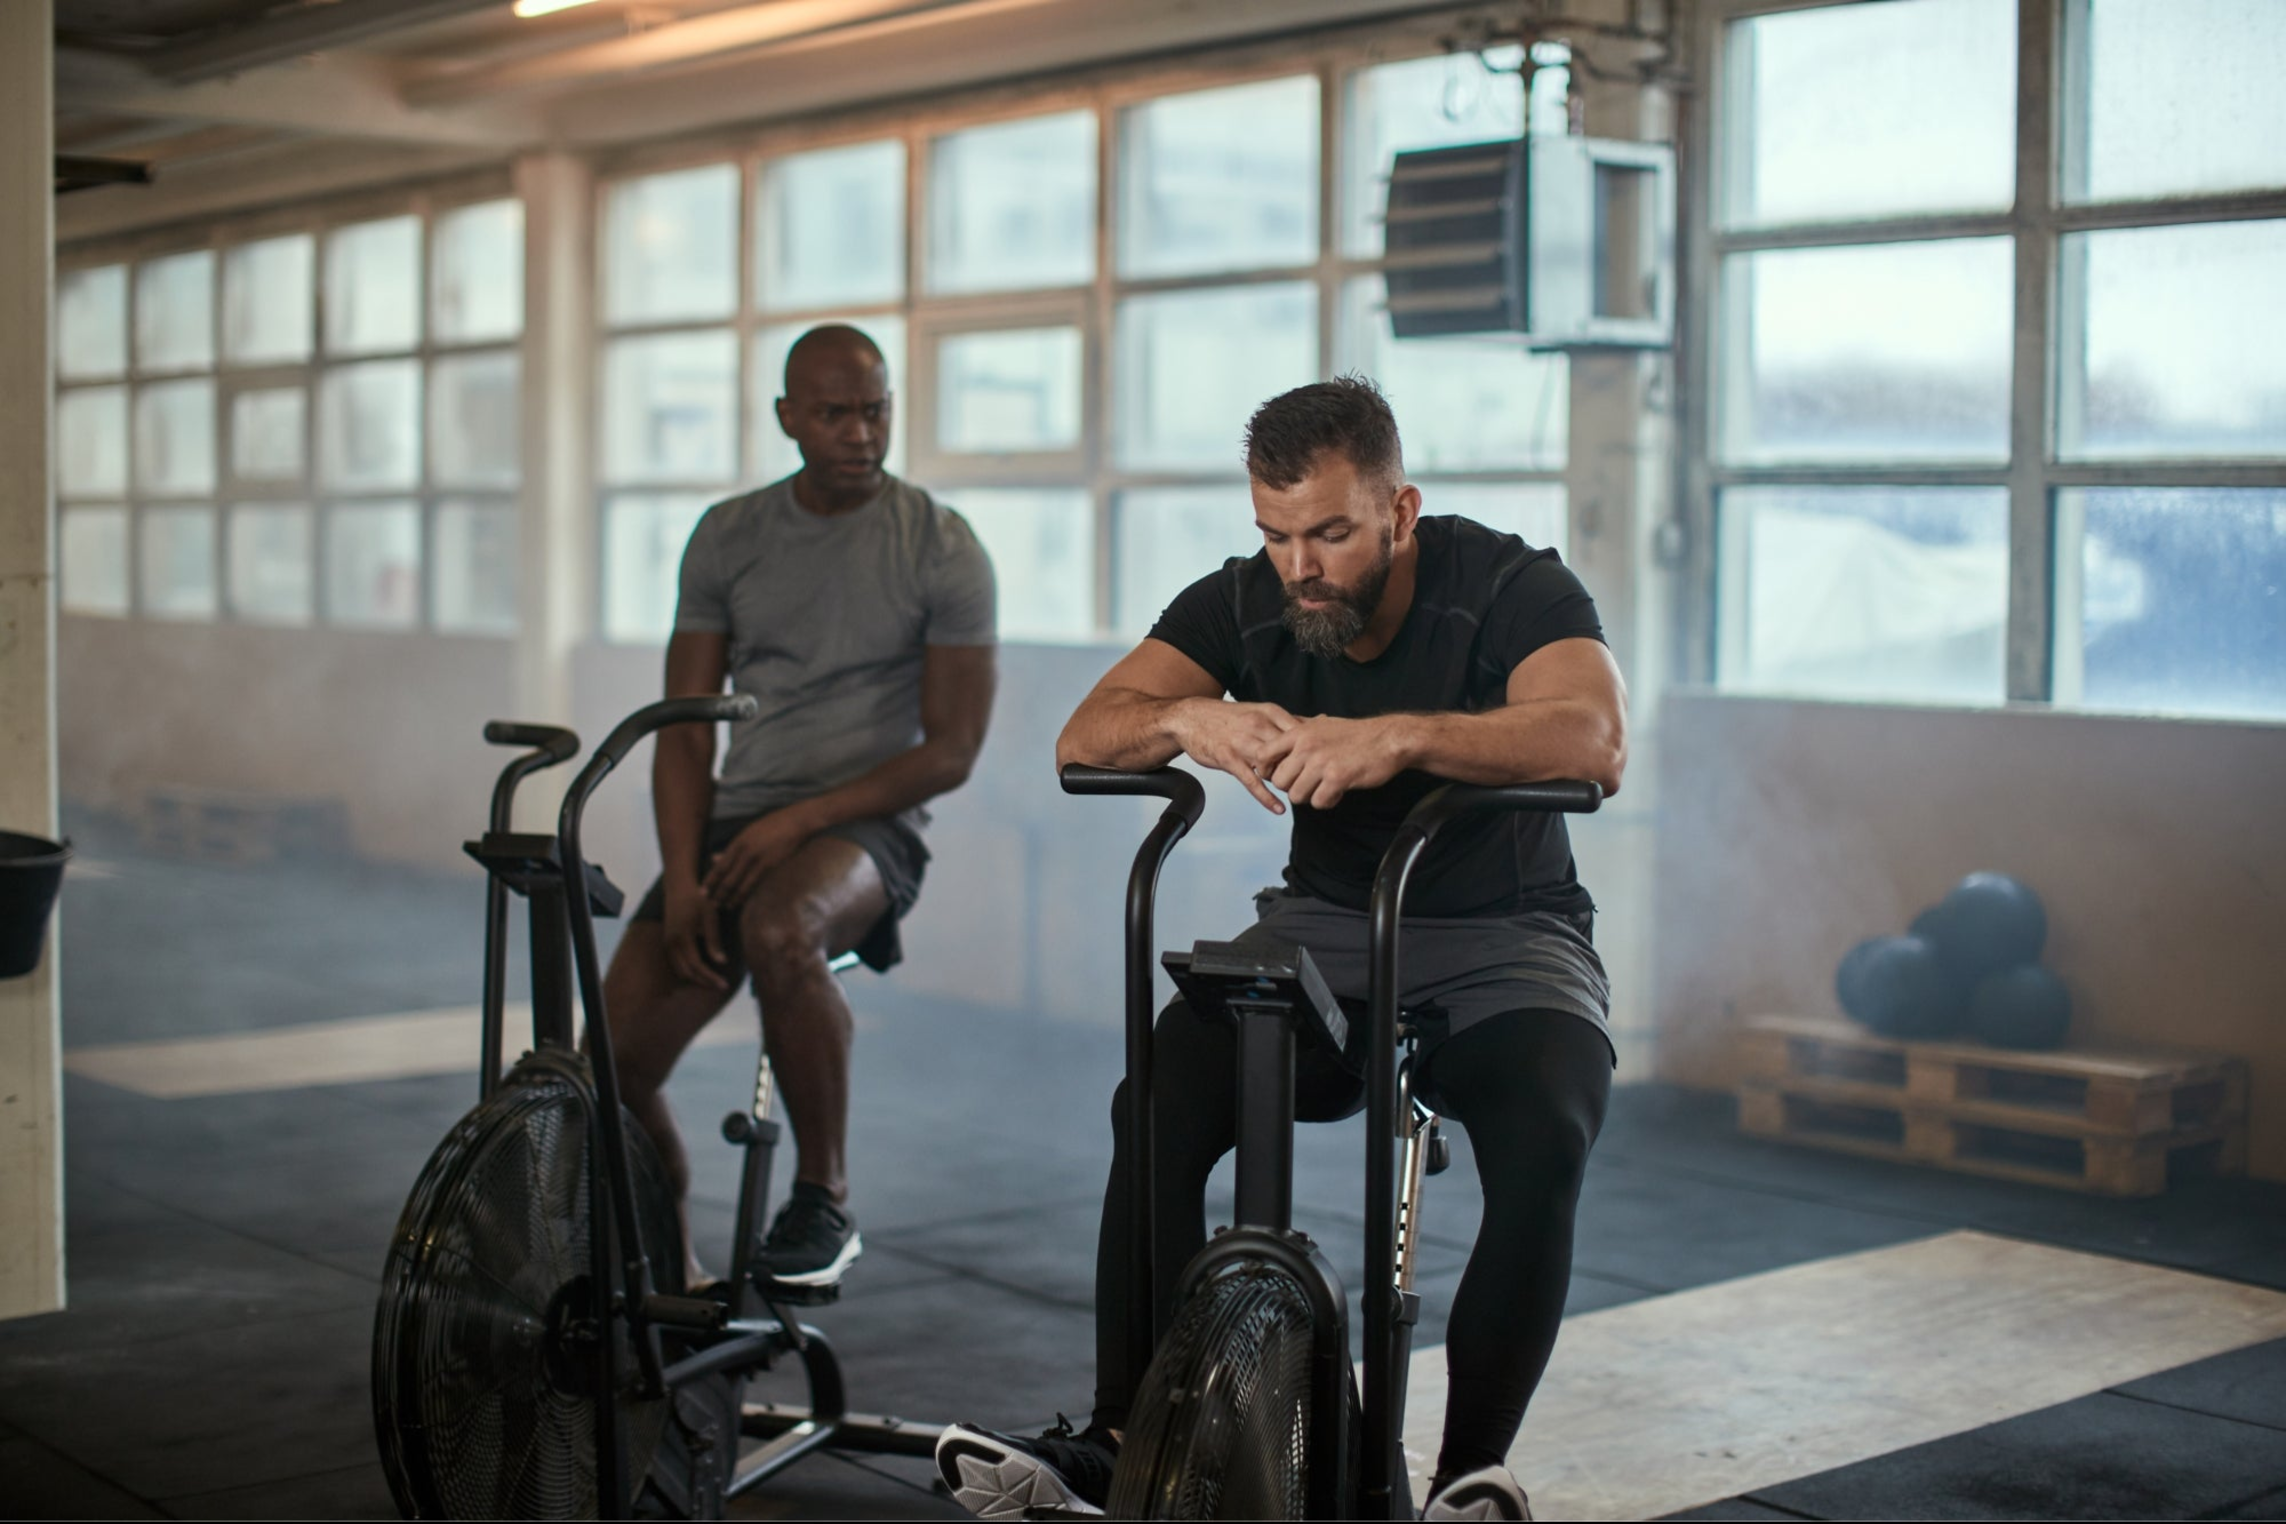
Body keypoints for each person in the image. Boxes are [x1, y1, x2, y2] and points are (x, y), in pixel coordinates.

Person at [936, 376, 1625, 1522]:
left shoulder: (1510, 583)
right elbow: (1086, 733)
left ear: (1401, 511)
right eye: (1276, 534)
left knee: (1549, 1121)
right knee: (1157, 1096)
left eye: (1332, 535)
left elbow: (1594, 738)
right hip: (1324, 923)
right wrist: (1186, 718)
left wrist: (1398, 739)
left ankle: (1466, 1483)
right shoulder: (1248, 599)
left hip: (1506, 933)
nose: (1300, 567)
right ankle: (1121, 1436)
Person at [602, 324, 996, 1292]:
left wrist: (800, 821)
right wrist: (683, 879)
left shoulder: (941, 545)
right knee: (606, 1072)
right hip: (736, 823)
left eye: (875, 410)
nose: (860, 432)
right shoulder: (728, 536)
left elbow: (951, 751)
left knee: (783, 926)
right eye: (833, 413)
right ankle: (676, 1283)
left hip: (868, 827)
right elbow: (685, 730)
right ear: (788, 418)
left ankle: (824, 1200)